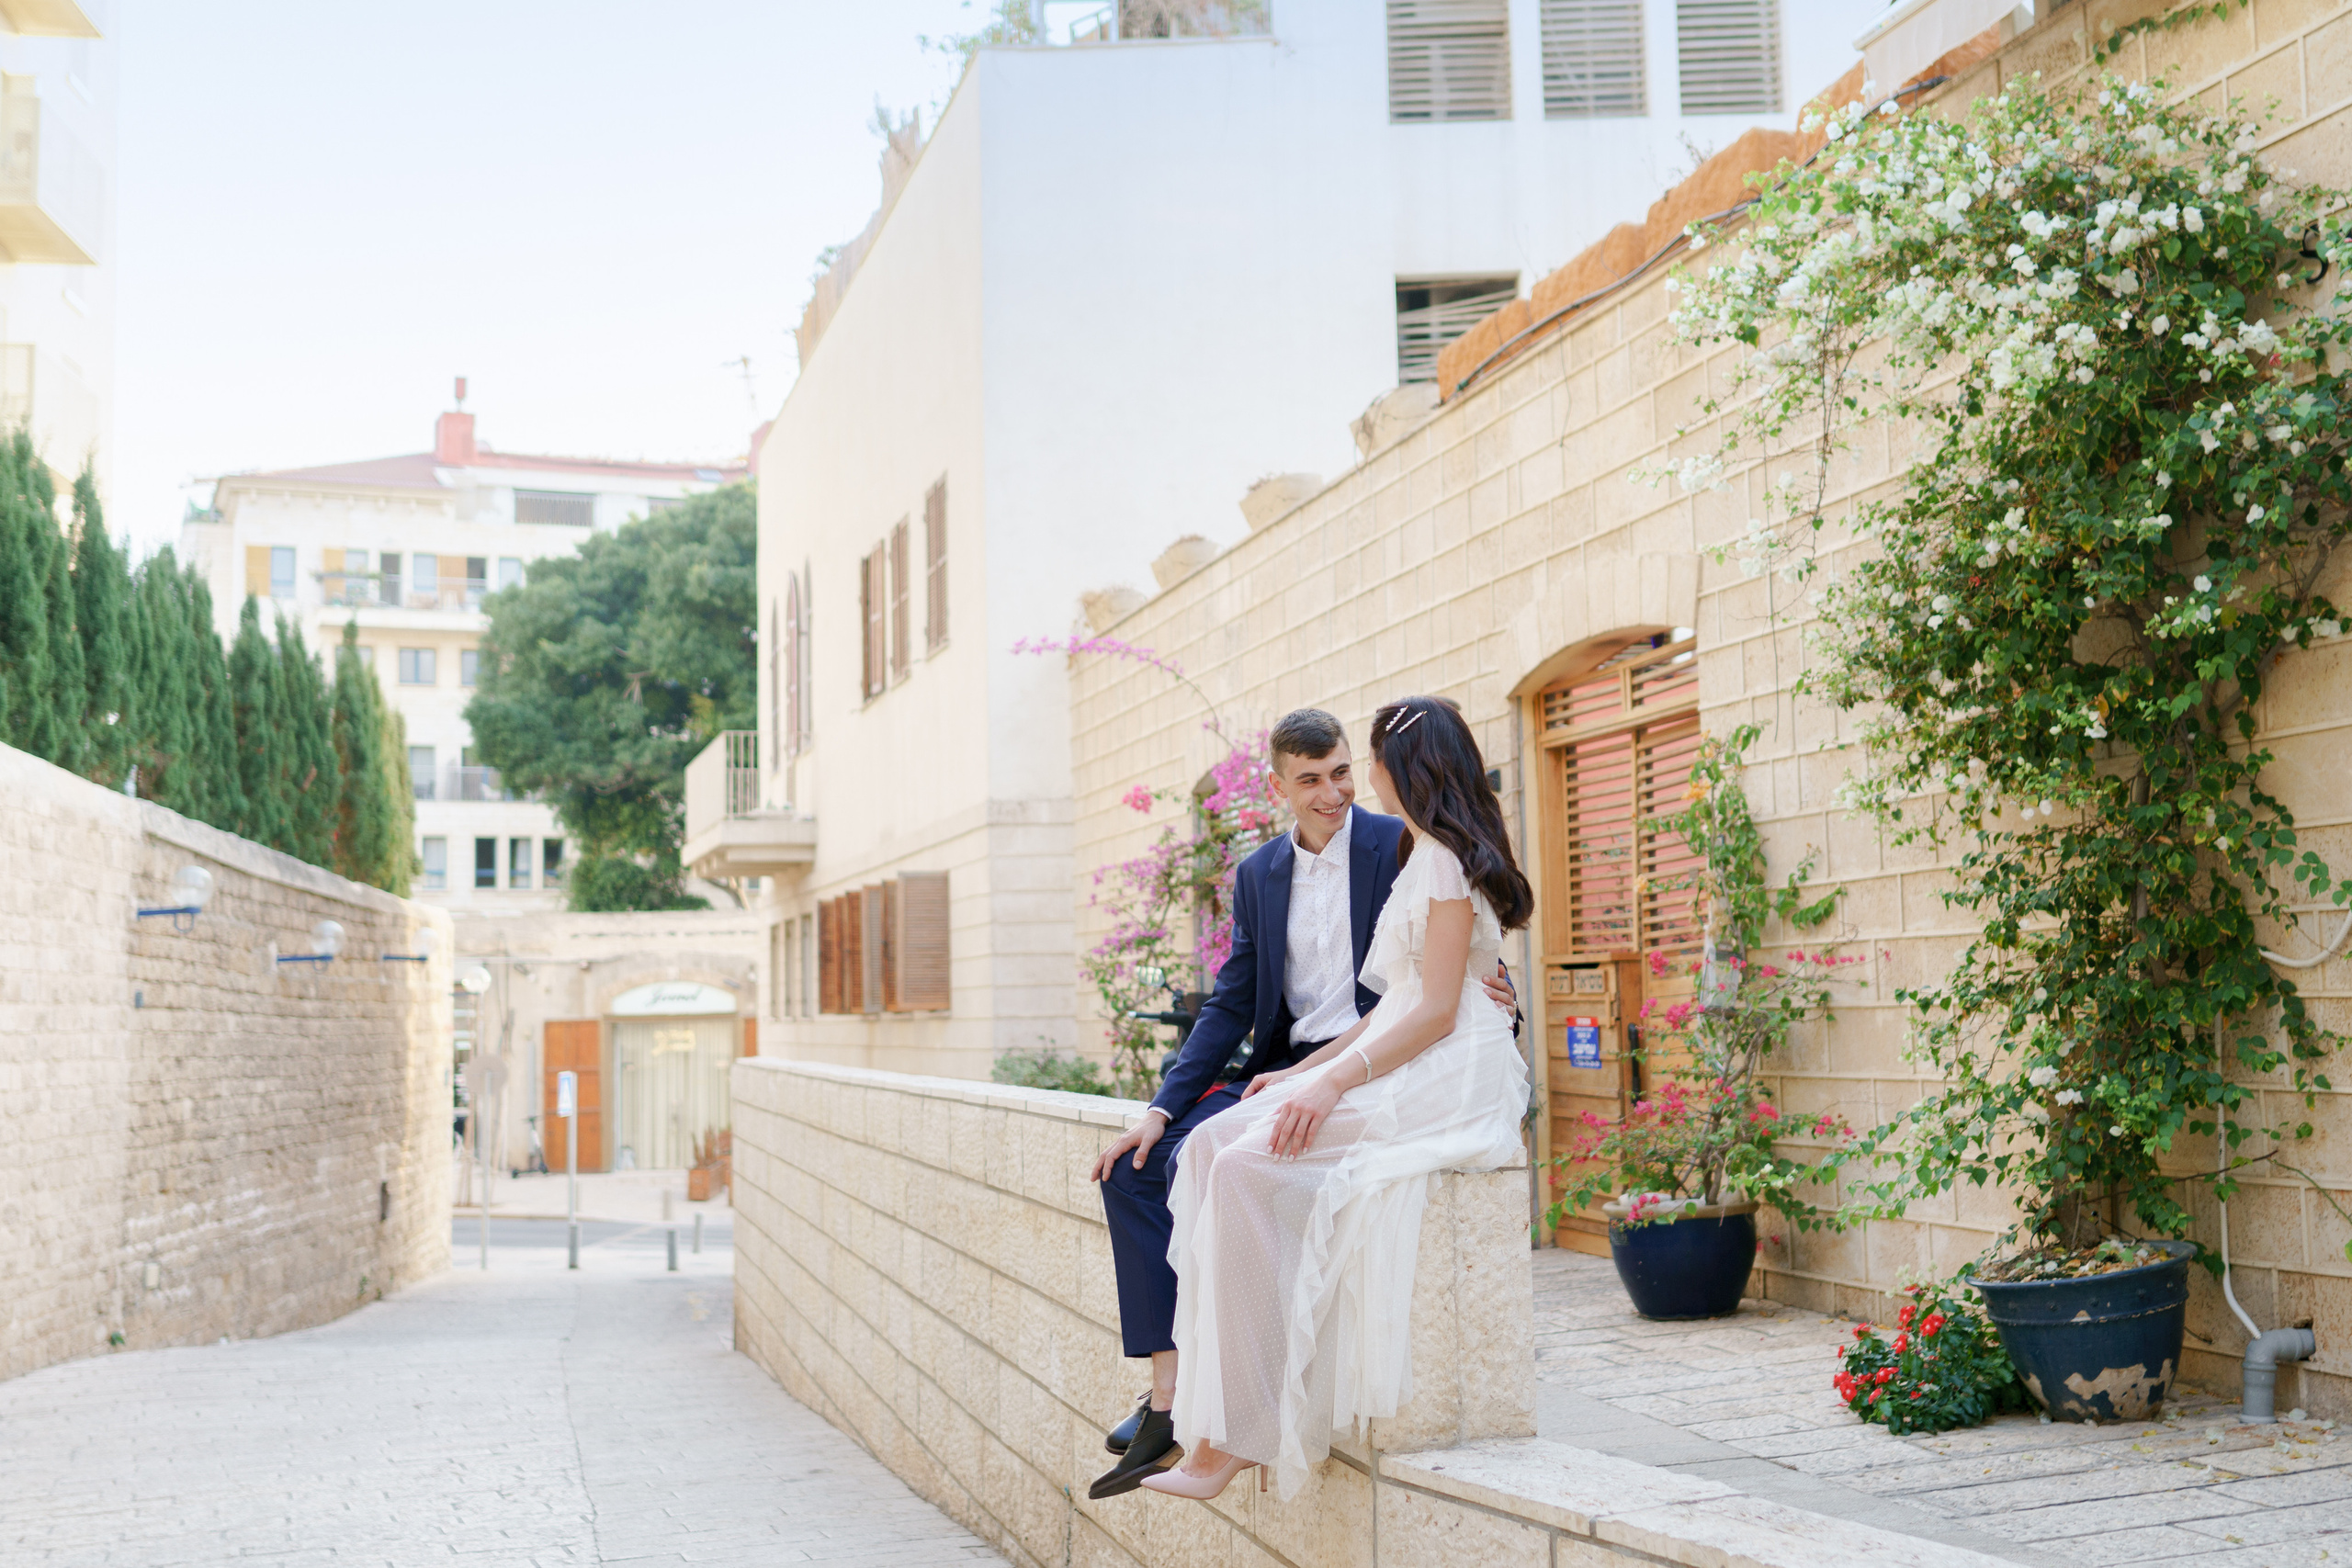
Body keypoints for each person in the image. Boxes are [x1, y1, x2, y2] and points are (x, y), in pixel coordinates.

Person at [1083, 708, 1515, 1500]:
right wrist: (1158, 1105)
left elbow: (1444, 980)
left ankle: (1233, 1416)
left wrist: (1498, 993)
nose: (1335, 791)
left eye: (1346, 771)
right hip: (1296, 1061)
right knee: (1143, 1163)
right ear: (1279, 787)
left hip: (1378, 1059)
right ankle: (1172, 1393)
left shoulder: (1403, 841)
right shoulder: (1257, 874)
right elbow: (1231, 1001)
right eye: (1311, 779)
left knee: (1226, 1163)